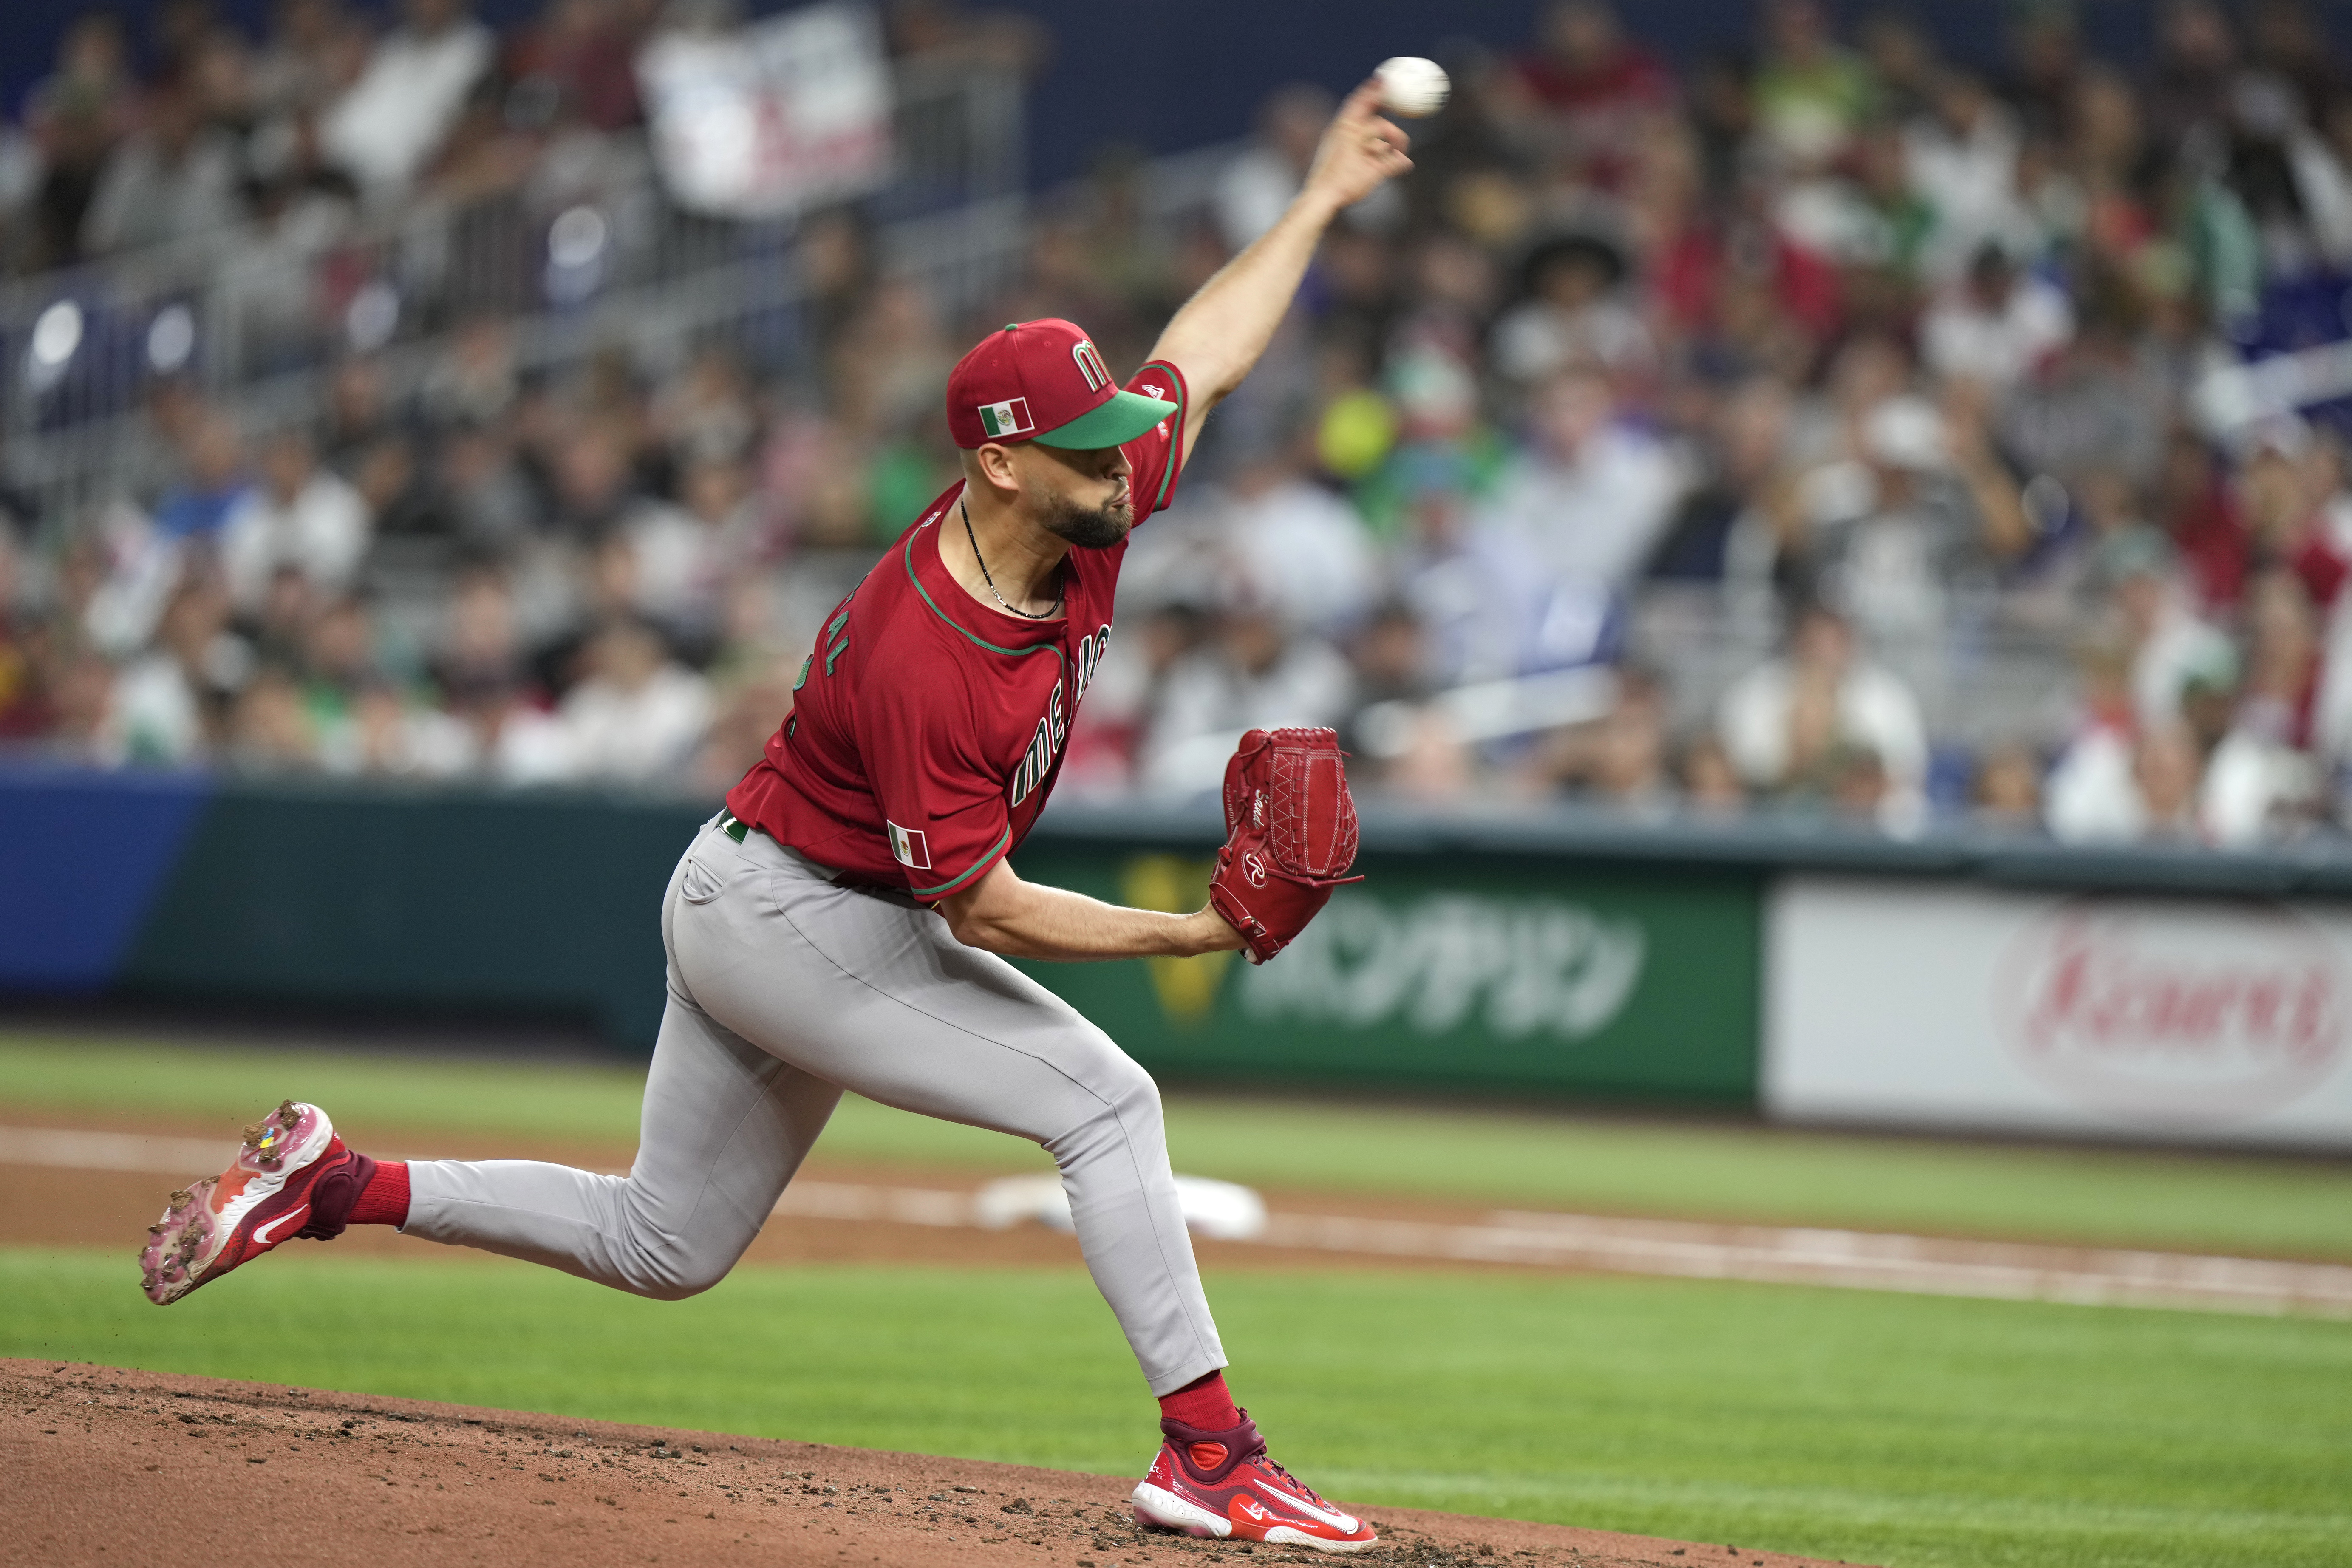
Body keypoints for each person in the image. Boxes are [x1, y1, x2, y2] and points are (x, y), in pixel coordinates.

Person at [137, 80, 1415, 1555]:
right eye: (1086, 442)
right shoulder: (924, 649)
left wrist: (1317, 200)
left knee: (664, 1243)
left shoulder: (1083, 495)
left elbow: (1207, 351)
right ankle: (1209, 1453)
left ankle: (333, 1182)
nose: (1121, 456)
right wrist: (1195, 928)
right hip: (801, 917)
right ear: (1000, 460)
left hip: (759, 891)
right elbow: (983, 908)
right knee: (1108, 1103)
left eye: (1115, 433)